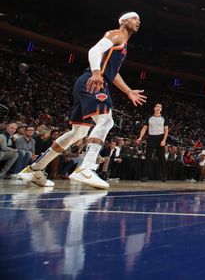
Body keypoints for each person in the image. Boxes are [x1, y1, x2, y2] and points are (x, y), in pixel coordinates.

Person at [22, 12, 146, 189]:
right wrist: (96, 73)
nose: (138, 22)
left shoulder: (123, 45)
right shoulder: (116, 34)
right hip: (93, 81)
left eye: (139, 20)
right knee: (106, 120)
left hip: (89, 82)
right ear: (124, 21)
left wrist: (128, 91)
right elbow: (94, 50)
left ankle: (36, 169)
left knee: (78, 133)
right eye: (135, 18)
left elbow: (113, 73)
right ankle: (86, 168)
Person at [136, 103, 169, 182]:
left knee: (162, 158)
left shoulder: (164, 117)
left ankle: (164, 176)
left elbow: (166, 130)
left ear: (161, 109)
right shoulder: (149, 117)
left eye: (160, 107)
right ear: (154, 108)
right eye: (157, 106)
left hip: (160, 138)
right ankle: (145, 176)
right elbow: (144, 128)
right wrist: (140, 137)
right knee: (148, 157)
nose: (159, 108)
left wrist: (164, 140)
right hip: (151, 137)